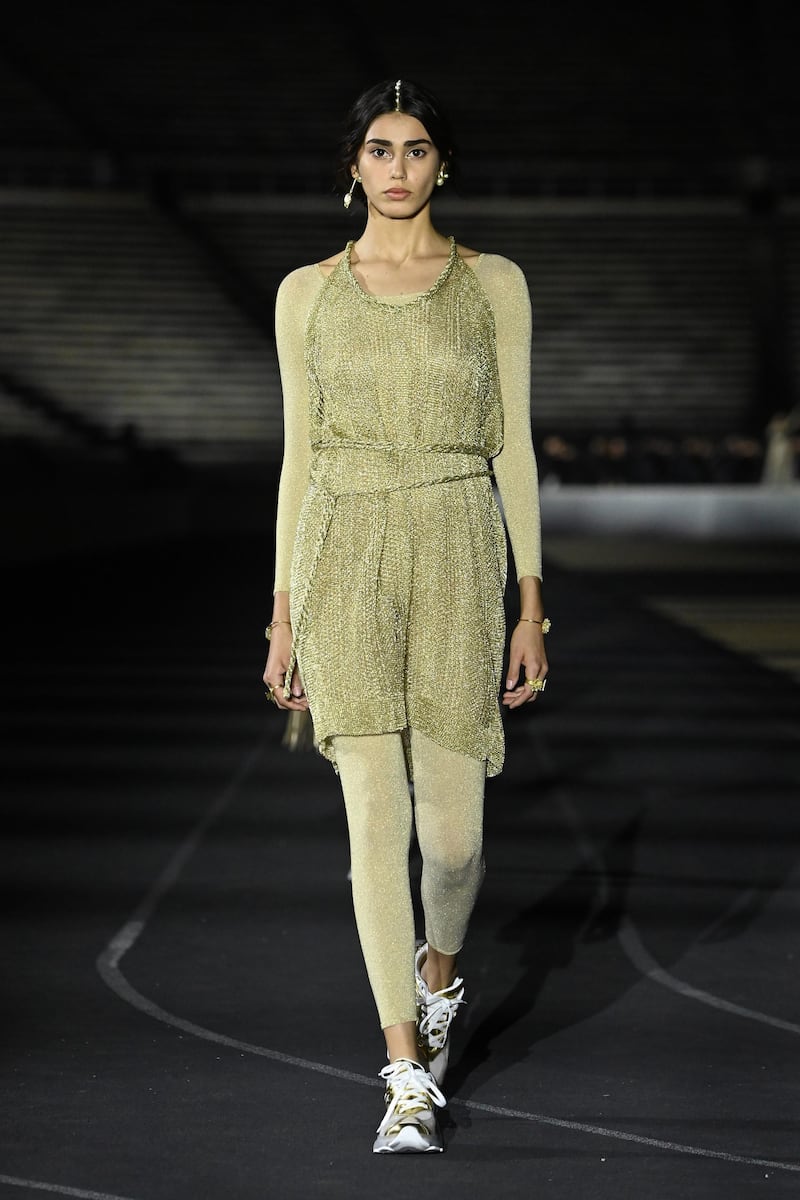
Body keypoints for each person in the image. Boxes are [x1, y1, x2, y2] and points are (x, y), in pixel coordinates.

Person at [262, 77, 548, 1154]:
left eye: (415, 149)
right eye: (377, 149)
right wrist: (282, 613)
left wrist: (531, 604)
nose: (395, 167)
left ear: (440, 165)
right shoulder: (305, 293)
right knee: (373, 822)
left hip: (456, 542)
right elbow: (298, 459)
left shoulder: (493, 285)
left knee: (457, 839)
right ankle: (402, 1072)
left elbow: (511, 445)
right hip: (342, 549)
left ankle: (439, 971)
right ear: (352, 167)